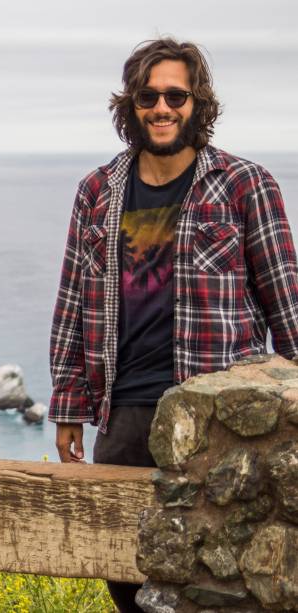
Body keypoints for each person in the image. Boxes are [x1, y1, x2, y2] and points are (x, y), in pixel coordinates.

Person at [49, 38, 298, 612]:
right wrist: (68, 406)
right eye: (148, 95)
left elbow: (284, 301)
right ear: (131, 106)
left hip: (217, 418)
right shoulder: (97, 191)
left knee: (216, 577)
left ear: (196, 102)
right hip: (125, 412)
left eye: (175, 95)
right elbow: (71, 301)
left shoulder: (244, 184)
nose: (162, 107)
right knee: (123, 568)